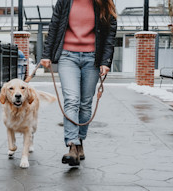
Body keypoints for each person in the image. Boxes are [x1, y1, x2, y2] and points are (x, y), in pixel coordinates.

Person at [40, 0, 117, 166]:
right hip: (68, 57)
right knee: (71, 99)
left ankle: (80, 141)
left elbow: (110, 34)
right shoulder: (65, 2)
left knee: (85, 103)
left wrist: (106, 61)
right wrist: (46, 54)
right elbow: (54, 26)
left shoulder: (103, 3)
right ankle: (72, 145)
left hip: (93, 59)